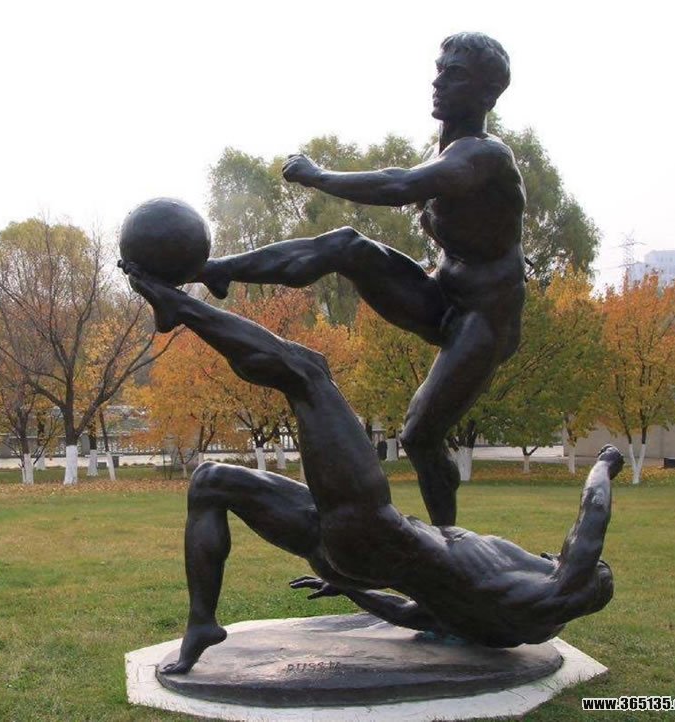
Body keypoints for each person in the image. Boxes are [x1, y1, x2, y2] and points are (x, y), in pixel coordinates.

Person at [121, 263, 620, 675]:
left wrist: (604, 465)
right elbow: (409, 613)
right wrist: (349, 584)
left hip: (373, 530)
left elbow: (590, 523)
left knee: (307, 372)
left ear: (579, 584)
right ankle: (201, 623)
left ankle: (178, 306)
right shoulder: (506, 624)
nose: (553, 554)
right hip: (354, 554)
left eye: (570, 563)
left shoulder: (550, 595)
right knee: (211, 482)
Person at [195, 32, 524, 527]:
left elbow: (400, 184)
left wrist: (318, 176)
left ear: (487, 94)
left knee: (420, 436)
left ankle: (449, 544)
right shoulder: (447, 150)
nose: (437, 82)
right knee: (346, 246)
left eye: (453, 74)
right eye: (438, 69)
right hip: (442, 297)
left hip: (486, 318)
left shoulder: (485, 156)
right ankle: (221, 271)